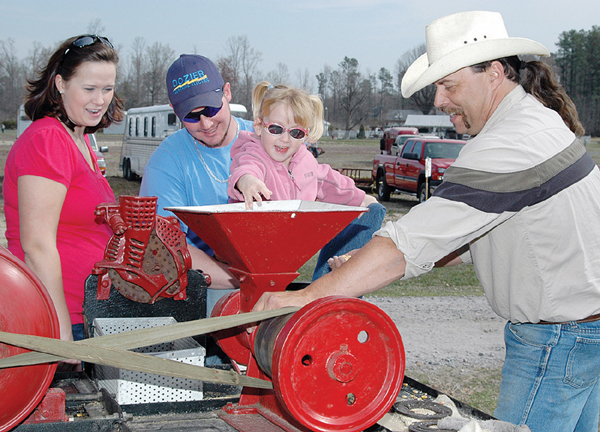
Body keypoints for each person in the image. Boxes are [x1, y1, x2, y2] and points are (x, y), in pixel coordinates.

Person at [252, 11, 600, 432]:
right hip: (581, 333)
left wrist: (306, 298)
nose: (438, 101)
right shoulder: (536, 122)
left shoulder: (510, 142)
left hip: (555, 343)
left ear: (493, 73)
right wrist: (366, 258)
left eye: (448, 85)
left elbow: (408, 243)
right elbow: (495, 234)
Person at [3, 35, 124, 346]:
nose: (100, 100)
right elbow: (37, 244)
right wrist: (60, 332)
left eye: (107, 89)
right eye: (89, 89)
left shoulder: (79, 140)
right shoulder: (48, 140)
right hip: (60, 317)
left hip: (89, 310)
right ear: (60, 83)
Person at [228, 82, 385, 280]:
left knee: (375, 211)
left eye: (296, 133)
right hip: (256, 248)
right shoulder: (254, 154)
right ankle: (329, 287)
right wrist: (247, 181)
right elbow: (245, 168)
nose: (285, 139)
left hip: (290, 244)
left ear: (305, 135)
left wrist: (362, 200)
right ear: (259, 126)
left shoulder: (304, 161)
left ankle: (334, 281)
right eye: (276, 129)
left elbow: (327, 180)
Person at [139, 54, 254, 316]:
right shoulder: (166, 161)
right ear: (174, 110)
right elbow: (165, 245)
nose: (206, 124)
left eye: (212, 109)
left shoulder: (264, 141)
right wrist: (243, 281)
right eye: (191, 116)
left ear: (227, 92)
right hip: (210, 285)